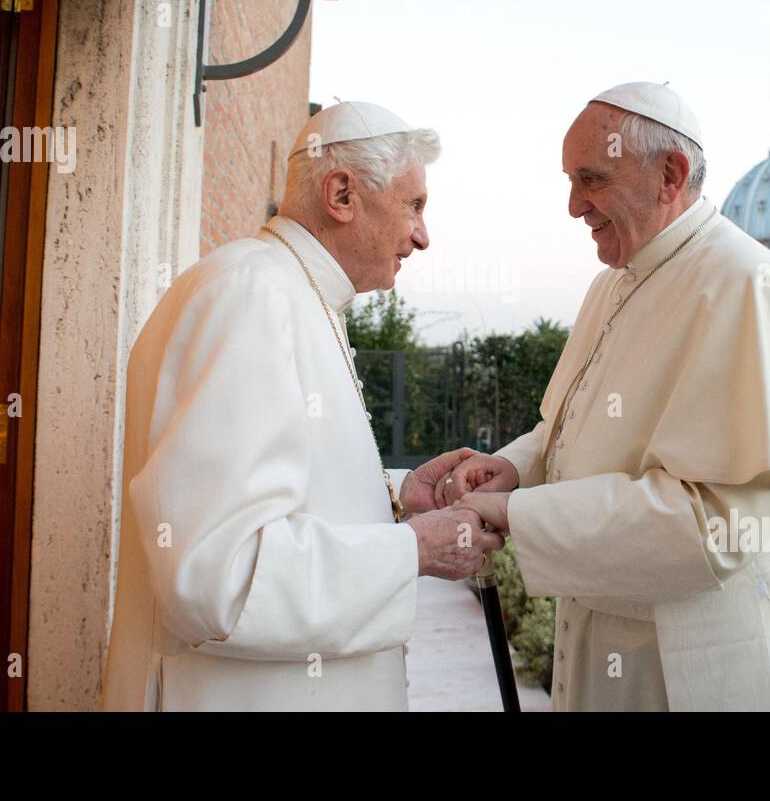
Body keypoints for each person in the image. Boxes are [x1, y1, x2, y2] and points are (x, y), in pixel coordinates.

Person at [442, 82, 770, 711]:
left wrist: (517, 515)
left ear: (670, 174)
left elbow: (721, 526)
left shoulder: (744, 284)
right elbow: (568, 427)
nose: (573, 206)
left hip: (706, 652)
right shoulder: (613, 284)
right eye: (569, 181)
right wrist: (514, 467)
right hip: (613, 629)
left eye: (591, 179)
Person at [101, 101, 501, 711]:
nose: (423, 235)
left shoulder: (290, 292)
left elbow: (283, 502)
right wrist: (416, 547)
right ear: (341, 193)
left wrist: (397, 506)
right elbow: (217, 578)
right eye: (414, 205)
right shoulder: (253, 293)